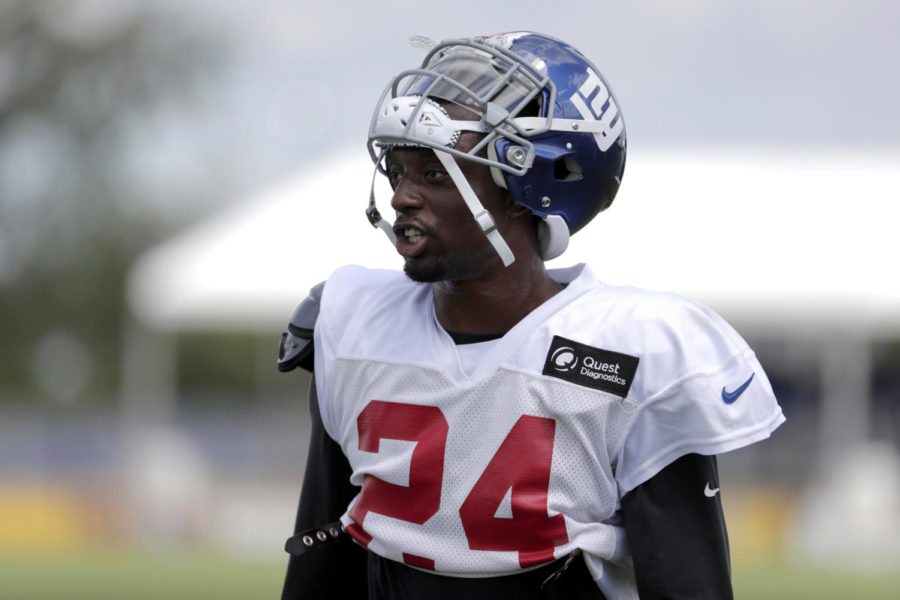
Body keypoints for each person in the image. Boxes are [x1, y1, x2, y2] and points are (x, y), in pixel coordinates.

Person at [276, 32, 785, 599]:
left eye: (437, 172)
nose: (402, 197)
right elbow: (325, 549)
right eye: (399, 170)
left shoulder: (635, 348)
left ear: (527, 190)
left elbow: (687, 583)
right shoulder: (350, 319)